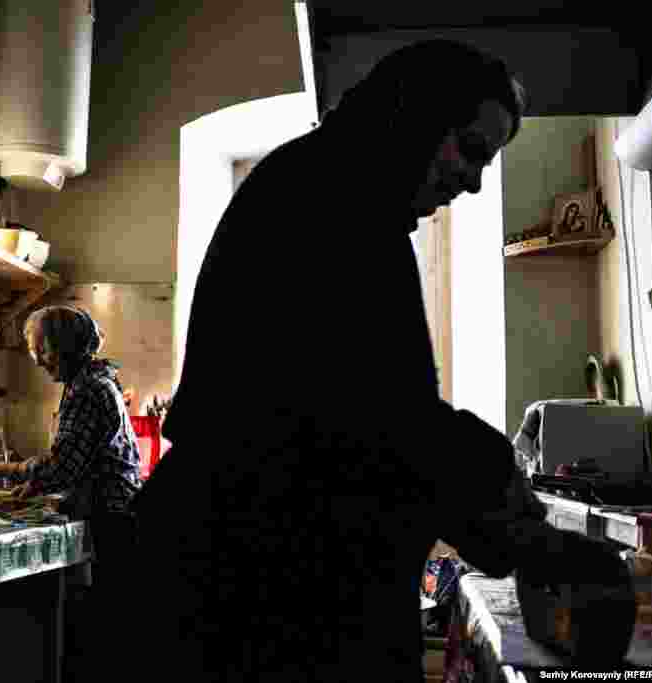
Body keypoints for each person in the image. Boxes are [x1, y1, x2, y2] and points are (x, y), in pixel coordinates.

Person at [129, 39, 557, 682]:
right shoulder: (330, 203)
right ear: (415, 113)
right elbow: (383, 421)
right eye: (469, 150)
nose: (471, 182)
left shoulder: (333, 189)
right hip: (258, 590)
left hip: (260, 575)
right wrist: (529, 534)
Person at [0, 304, 142, 677]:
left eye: (44, 350)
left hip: (111, 519)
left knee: (101, 632)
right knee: (103, 630)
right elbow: (76, 462)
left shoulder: (86, 390)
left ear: (68, 347)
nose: (39, 360)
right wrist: (35, 483)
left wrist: (16, 471)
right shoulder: (95, 381)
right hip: (116, 514)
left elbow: (64, 465)